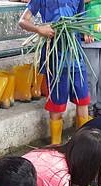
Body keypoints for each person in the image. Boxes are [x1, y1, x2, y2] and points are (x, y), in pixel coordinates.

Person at [19, 0, 91, 145]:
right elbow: (23, 21)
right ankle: (56, 144)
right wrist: (39, 29)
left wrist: (86, 31)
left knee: (82, 100)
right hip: (55, 59)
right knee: (56, 103)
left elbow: (80, 19)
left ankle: (82, 143)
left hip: (75, 56)